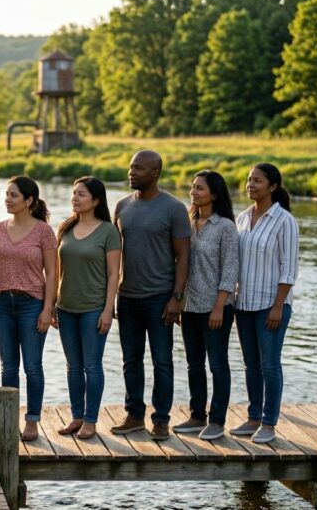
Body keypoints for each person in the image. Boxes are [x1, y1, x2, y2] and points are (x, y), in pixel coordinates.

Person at [111, 150, 191, 441]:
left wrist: (176, 298)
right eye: (131, 167)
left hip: (160, 297)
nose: (132, 172)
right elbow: (114, 254)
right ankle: (134, 415)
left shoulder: (173, 208)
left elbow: (183, 256)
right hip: (127, 296)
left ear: (155, 172)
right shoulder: (121, 206)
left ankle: (160, 420)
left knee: (162, 361)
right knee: (130, 360)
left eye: (139, 168)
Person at [0, 176, 56, 442]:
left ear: (29, 200)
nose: (8, 199)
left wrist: (48, 309)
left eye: (14, 195)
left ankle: (32, 421)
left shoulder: (43, 232)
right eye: (6, 194)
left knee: (33, 366)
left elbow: (52, 272)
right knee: (8, 366)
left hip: (32, 303)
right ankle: (9, 418)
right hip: (2, 303)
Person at [230, 163, 299, 444]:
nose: (251, 185)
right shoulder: (243, 218)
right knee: (251, 365)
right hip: (243, 304)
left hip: (271, 305)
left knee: (270, 365)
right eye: (248, 180)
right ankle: (253, 417)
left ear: (272, 186)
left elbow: (289, 267)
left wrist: (278, 306)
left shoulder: (284, 220)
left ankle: (269, 424)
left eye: (257, 181)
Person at [55, 177, 121, 441]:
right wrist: (52, 305)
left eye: (81, 194)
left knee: (92, 366)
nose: (75, 198)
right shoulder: (66, 227)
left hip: (93, 308)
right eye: (74, 193)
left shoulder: (108, 231)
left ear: (95, 200)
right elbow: (57, 270)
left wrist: (108, 310)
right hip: (65, 308)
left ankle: (91, 421)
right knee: (73, 366)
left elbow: (114, 274)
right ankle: (77, 416)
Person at [174, 170, 238, 441]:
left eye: (200, 188)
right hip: (189, 306)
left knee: (218, 364)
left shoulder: (225, 226)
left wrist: (219, 306)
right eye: (192, 187)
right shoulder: (187, 224)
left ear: (214, 194)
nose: (194, 192)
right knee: (193, 364)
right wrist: (178, 301)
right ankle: (197, 415)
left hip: (216, 306)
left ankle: (217, 420)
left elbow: (230, 269)